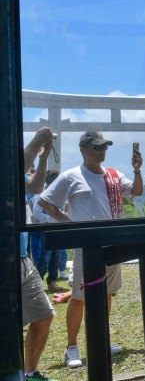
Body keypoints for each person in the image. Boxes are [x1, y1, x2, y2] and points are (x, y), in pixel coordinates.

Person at [38, 131, 143, 368]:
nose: (102, 151)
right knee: (78, 298)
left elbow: (136, 191)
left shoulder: (114, 175)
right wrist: (68, 224)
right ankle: (71, 347)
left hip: (111, 243)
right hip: (85, 247)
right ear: (84, 150)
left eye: (104, 147)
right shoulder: (71, 176)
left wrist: (137, 170)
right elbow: (44, 201)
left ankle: (101, 338)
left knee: (106, 294)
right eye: (97, 148)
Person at [20, 127, 58, 381]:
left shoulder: (16, 174)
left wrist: (43, 157)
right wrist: (36, 142)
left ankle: (29, 373)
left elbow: (34, 187)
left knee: (43, 316)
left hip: (21, 258)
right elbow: (17, 167)